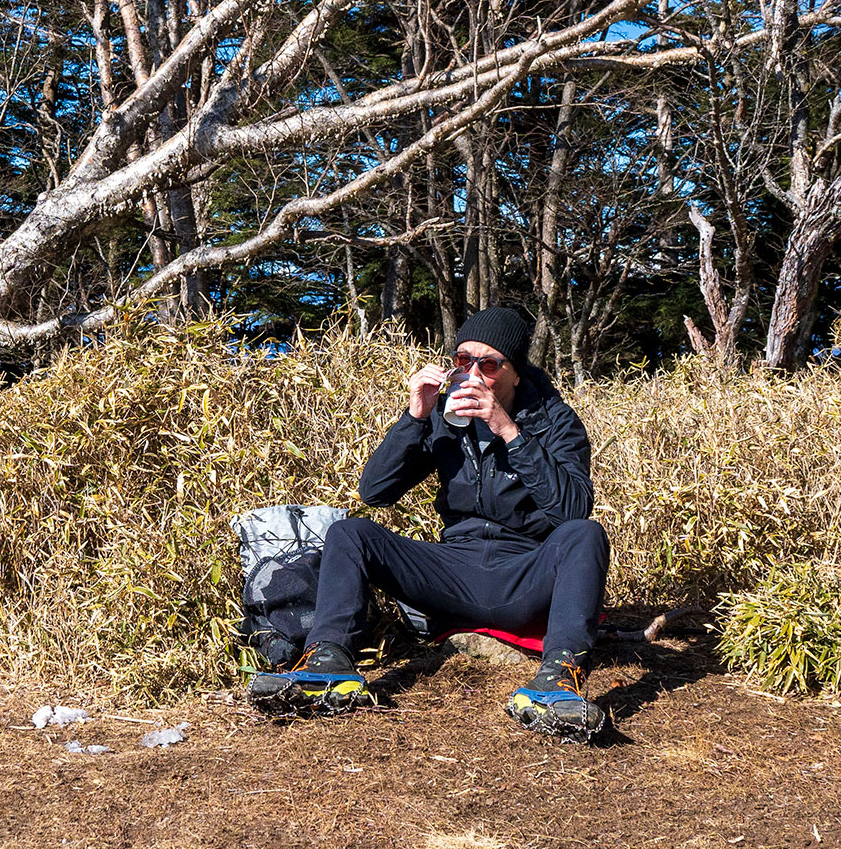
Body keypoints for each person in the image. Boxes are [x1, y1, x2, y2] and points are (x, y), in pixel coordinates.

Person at [249, 307, 610, 741]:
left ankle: (559, 678)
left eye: (488, 364)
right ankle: (328, 662)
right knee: (350, 533)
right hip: (453, 573)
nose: (472, 374)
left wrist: (508, 430)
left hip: (523, 575)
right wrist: (416, 416)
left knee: (586, 534)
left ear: (516, 374)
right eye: (463, 360)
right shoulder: (445, 419)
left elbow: (572, 510)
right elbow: (375, 491)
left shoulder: (557, 422)